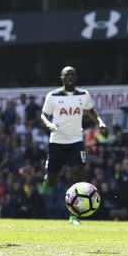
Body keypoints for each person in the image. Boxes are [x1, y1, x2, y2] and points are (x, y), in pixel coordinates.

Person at [41, 66, 106, 225]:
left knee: (77, 173)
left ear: (76, 78)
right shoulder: (53, 96)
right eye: (66, 74)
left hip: (76, 141)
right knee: (52, 180)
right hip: (56, 142)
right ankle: (46, 183)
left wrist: (100, 122)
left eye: (72, 74)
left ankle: (74, 214)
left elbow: (91, 111)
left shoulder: (84, 95)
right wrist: (49, 124)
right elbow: (44, 115)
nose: (69, 77)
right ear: (61, 78)